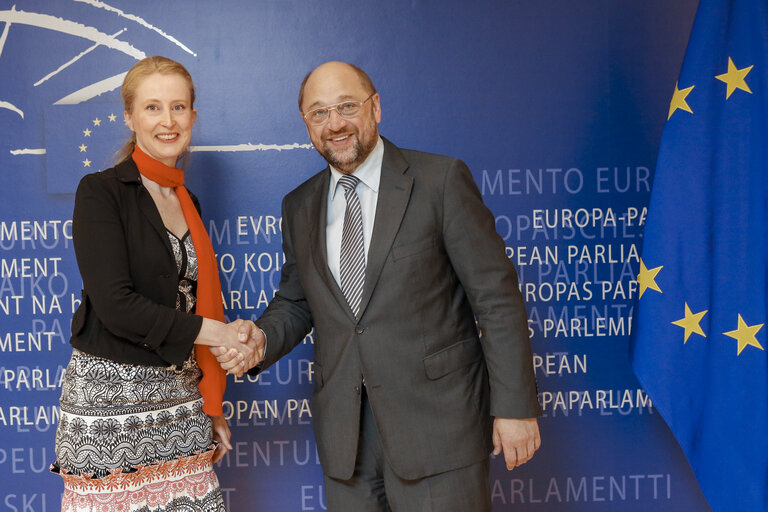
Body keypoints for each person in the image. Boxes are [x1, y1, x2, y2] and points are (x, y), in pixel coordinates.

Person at [218, 60, 542, 511]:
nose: (335, 124)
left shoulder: (439, 180)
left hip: (438, 432)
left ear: (376, 108)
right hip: (345, 442)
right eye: (319, 113)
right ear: (307, 125)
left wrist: (515, 407)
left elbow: (497, 300)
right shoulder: (298, 205)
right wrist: (261, 340)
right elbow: (296, 302)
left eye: (346, 106)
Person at [51, 56, 256, 511]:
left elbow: (188, 302)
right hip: (110, 415)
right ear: (129, 116)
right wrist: (221, 333)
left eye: (178, 107)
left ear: (193, 116)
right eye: (153, 108)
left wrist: (212, 406)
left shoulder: (189, 202)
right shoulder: (100, 192)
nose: (168, 121)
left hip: (181, 405)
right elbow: (116, 305)